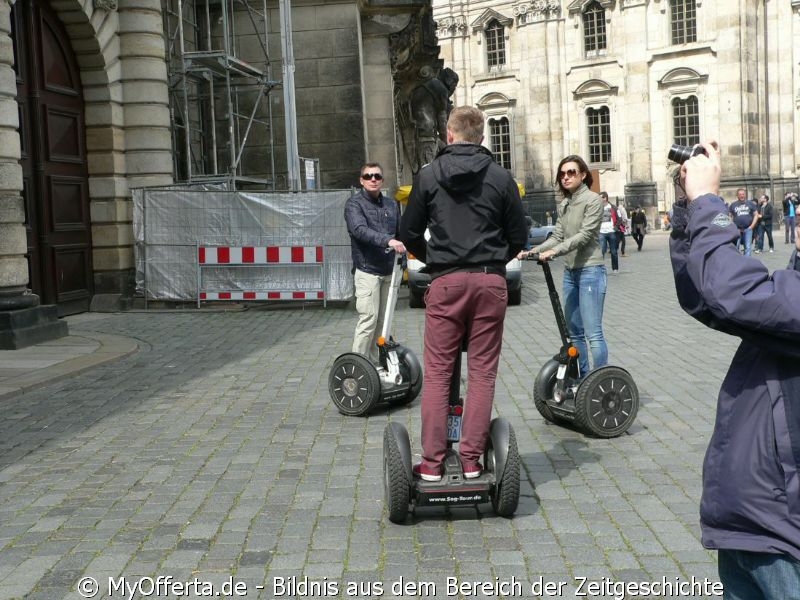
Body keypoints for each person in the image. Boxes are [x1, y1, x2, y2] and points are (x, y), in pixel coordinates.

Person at [670, 139, 800, 599]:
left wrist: (708, 200)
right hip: (755, 520)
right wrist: (689, 210)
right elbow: (709, 302)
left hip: (784, 532)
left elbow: (730, 290)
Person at [399, 106, 527, 482]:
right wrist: (491, 262)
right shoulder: (501, 177)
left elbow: (409, 235)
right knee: (483, 373)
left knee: (438, 374)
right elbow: (518, 237)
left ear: (448, 134)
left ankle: (434, 464)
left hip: (446, 282)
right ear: (482, 137)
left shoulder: (428, 176)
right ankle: (472, 461)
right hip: (490, 282)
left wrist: (437, 260)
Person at [520, 155, 606, 378]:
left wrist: (554, 252)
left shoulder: (593, 200)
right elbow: (557, 235)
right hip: (570, 273)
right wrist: (534, 251)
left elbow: (585, 235)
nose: (566, 177)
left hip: (590, 271)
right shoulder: (565, 204)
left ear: (583, 175)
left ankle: (599, 380)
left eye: (571, 173)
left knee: (593, 333)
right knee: (574, 333)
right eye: (562, 174)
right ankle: (582, 378)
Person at [344, 163, 406, 361]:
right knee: (368, 320)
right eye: (368, 176)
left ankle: (377, 365)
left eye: (377, 176)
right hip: (367, 271)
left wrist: (403, 259)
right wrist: (387, 240)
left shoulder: (391, 204)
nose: (373, 179)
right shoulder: (354, 204)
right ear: (361, 180)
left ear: (382, 180)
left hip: (389, 271)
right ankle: (358, 366)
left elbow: (400, 234)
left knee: (383, 322)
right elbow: (359, 230)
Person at [728, 188, 758, 256]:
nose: (742, 196)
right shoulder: (733, 204)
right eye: (740, 194)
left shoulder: (750, 203)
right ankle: (737, 263)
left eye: (743, 194)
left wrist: (752, 226)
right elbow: (729, 215)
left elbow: (756, 215)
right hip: (737, 229)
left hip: (748, 229)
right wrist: (732, 225)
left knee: (747, 247)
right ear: (737, 196)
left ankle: (747, 264)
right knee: (736, 247)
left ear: (745, 195)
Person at [598, 191, 620, 273]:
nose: (600, 199)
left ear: (605, 198)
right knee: (602, 251)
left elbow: (619, 218)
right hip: (601, 232)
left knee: (614, 251)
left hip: (611, 232)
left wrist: (616, 227)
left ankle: (615, 269)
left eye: (601, 197)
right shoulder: (597, 208)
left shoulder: (613, 207)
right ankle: (601, 269)